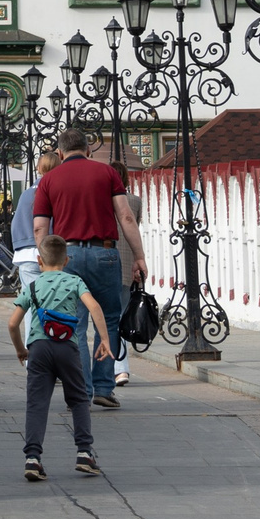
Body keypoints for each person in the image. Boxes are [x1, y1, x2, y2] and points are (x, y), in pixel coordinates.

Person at [32, 129, 146, 407]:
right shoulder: (108, 174)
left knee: (75, 325)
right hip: (104, 253)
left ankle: (80, 389)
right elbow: (127, 217)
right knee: (108, 319)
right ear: (88, 150)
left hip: (67, 256)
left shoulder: (49, 180)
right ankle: (104, 388)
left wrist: (48, 262)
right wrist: (139, 256)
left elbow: (39, 227)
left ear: (59, 154)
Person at [7, 235, 109, 481]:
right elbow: (94, 307)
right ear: (67, 260)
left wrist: (21, 349)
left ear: (39, 261)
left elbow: (12, 324)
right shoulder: (75, 281)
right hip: (67, 348)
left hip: (39, 349)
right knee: (78, 399)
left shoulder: (32, 286)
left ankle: (32, 458)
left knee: (37, 404)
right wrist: (104, 340)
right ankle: (84, 453)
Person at [113, 166, 144, 389]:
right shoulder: (134, 201)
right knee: (120, 319)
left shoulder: (101, 200)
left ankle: (111, 369)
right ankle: (121, 369)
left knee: (104, 320)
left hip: (104, 263)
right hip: (126, 267)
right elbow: (134, 227)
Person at [13, 151, 59, 293]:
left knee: (32, 305)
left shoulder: (26, 193)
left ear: (39, 168)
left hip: (27, 253)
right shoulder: (57, 191)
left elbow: (17, 223)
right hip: (51, 252)